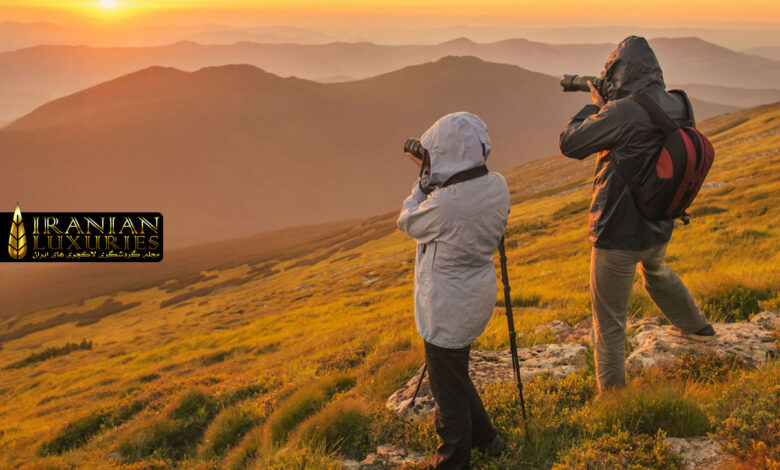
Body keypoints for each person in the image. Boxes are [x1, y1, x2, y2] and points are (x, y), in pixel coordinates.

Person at [558, 36, 715, 393]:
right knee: (656, 271)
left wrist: (594, 107)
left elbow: (570, 143)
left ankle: (613, 400)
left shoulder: (621, 111)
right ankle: (698, 329)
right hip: (659, 220)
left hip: (617, 231)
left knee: (609, 321)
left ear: (618, 73)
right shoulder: (678, 102)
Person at [397, 112, 510, 469]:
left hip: (446, 308)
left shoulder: (445, 204)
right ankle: (488, 438)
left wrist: (424, 178)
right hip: (475, 296)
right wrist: (439, 174)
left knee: (447, 400)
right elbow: (461, 196)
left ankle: (453, 459)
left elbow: (407, 220)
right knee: (452, 371)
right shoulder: (497, 184)